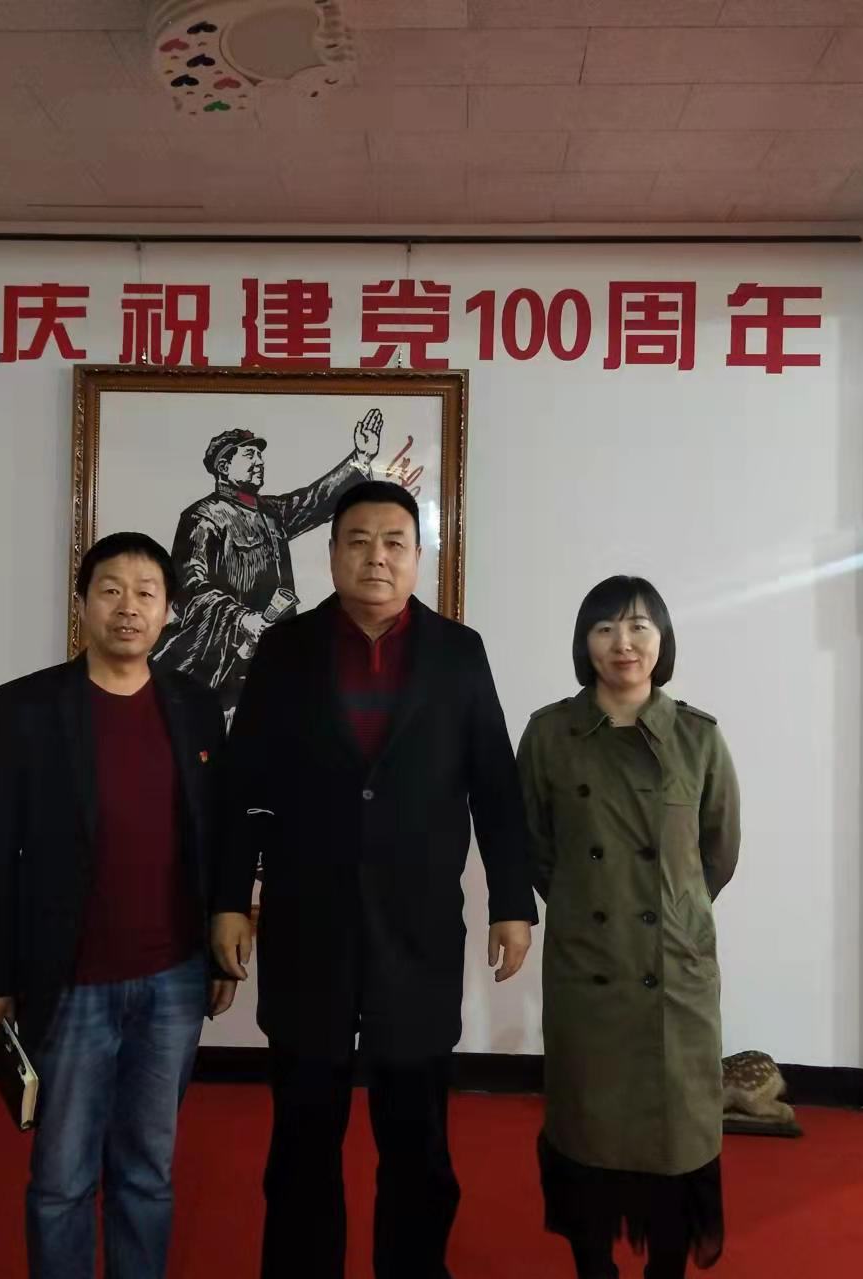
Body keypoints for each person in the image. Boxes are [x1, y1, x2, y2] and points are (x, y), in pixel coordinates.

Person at [212, 479, 538, 1279]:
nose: (376, 557)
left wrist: (511, 902)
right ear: (330, 554)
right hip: (307, 928)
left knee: (417, 1141)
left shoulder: (458, 653)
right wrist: (228, 899)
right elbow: (244, 785)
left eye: (393, 542)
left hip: (416, 933)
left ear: (417, 556)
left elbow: (494, 787)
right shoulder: (285, 650)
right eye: (357, 541)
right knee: (301, 1139)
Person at [0, 531, 234, 1279]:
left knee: (148, 1171)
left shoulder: (195, 707)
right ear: (82, 602)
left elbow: (214, 836)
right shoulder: (27, 707)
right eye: (110, 589)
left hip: (173, 978)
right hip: (69, 979)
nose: (128, 607)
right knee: (61, 1178)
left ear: (169, 610)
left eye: (147, 592)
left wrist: (218, 952)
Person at [516, 576, 740, 1279]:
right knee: (585, 1132)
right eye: (605, 628)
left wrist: (671, 912)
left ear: (662, 640)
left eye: (640, 626)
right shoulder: (549, 734)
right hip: (588, 968)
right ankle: (594, 1267)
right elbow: (533, 847)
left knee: (677, 1135)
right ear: (583, 642)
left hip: (672, 970)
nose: (624, 643)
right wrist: (589, 901)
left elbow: (718, 852)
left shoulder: (698, 737)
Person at [154, 409, 383, 718]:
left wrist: (361, 458)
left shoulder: (271, 512)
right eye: (250, 455)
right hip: (222, 660)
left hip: (279, 656)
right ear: (224, 466)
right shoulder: (202, 517)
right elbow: (190, 588)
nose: (259, 462)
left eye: (260, 455)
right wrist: (241, 619)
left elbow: (314, 500)